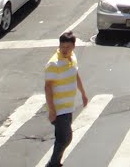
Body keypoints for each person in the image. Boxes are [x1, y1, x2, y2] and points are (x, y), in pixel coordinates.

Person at [43, 31, 88, 167]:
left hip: (68, 106)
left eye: (67, 47)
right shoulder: (53, 64)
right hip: (59, 108)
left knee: (62, 138)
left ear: (73, 47)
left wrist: (83, 94)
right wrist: (52, 110)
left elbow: (75, 74)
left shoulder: (72, 57)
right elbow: (47, 88)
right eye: (62, 47)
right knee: (65, 138)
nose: (64, 50)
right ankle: (52, 164)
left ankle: (56, 162)